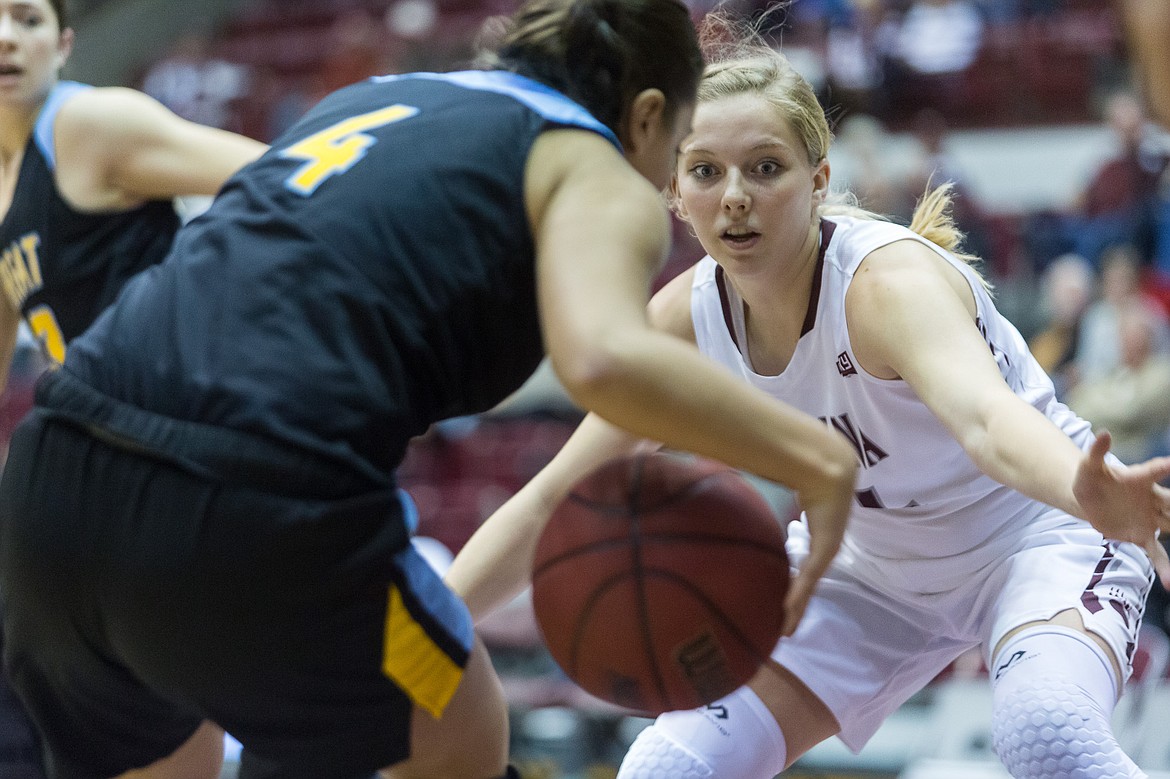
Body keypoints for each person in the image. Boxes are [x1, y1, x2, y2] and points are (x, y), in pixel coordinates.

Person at [0, 0, 859, 777]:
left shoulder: (374, 96)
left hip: (50, 490)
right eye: (677, 156)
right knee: (461, 736)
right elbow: (602, 359)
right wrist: (816, 461)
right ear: (645, 119)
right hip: (249, 501)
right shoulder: (588, 163)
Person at [446, 18, 1170, 779]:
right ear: (672, 190)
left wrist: (1083, 486)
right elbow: (553, 498)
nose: (734, 198)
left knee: (1045, 734)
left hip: (1037, 527)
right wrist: (427, 627)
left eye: (765, 168)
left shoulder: (886, 287)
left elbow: (989, 422)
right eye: (705, 172)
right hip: (867, 573)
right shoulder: (680, 323)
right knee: (668, 767)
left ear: (818, 179)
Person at [0, 0, 266, 773]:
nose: (7, 36)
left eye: (27, 18)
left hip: (195, 450)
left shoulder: (92, 128)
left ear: (65, 43)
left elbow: (287, 178)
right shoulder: (5, 182)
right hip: (109, 472)